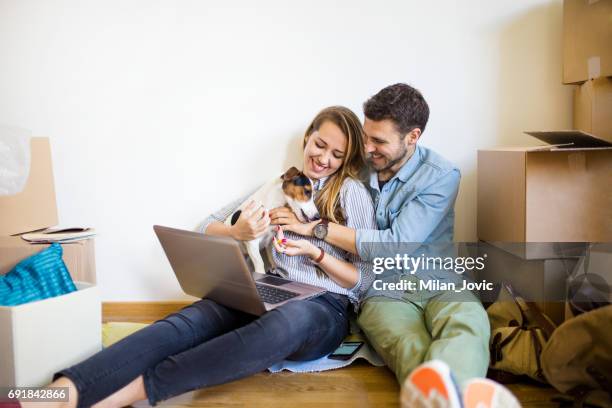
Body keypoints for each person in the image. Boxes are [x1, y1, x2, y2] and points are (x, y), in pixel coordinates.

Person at [31, 106, 377, 408]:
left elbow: (362, 281)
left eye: (337, 154)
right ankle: (57, 393)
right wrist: (237, 233)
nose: (324, 159)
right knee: (187, 323)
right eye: (320, 144)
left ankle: (131, 392)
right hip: (268, 287)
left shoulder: (351, 192)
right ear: (307, 138)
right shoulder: (279, 183)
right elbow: (207, 226)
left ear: (346, 160)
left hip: (321, 307)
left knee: (285, 323)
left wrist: (315, 249)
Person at [273, 84, 493, 399]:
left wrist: (316, 230)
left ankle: (445, 398)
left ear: (412, 137)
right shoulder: (355, 166)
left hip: (439, 280)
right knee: (407, 345)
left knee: (469, 326)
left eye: (379, 141)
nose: (367, 147)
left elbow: (395, 244)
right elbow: (312, 182)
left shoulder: (441, 175)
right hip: (383, 290)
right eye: (365, 136)